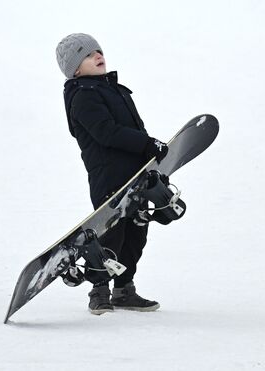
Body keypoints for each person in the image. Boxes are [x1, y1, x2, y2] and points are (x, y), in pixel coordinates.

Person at [56, 33, 168, 315]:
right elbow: (106, 133)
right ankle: (99, 291)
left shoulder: (117, 91)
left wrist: (150, 156)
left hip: (135, 175)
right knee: (112, 236)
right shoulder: (82, 96)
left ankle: (124, 289)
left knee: (136, 234)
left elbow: (136, 129)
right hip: (109, 178)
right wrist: (145, 143)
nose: (97, 55)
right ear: (75, 69)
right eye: (87, 54)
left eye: (98, 51)